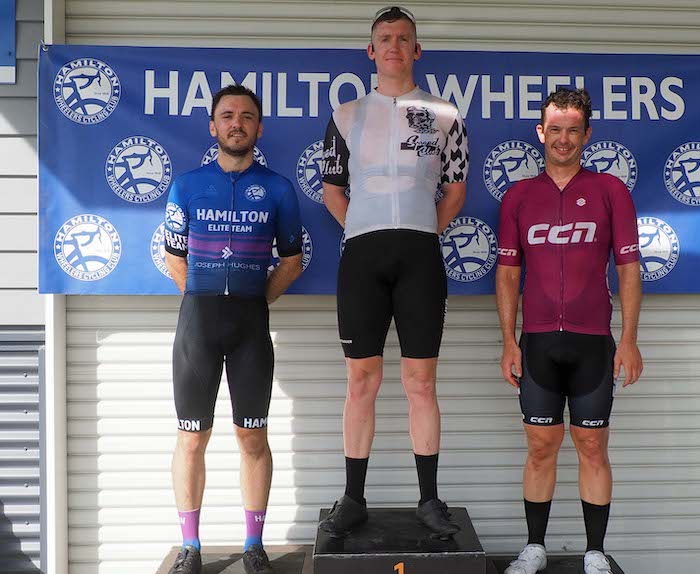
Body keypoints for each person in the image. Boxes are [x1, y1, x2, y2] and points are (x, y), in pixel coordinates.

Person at [318, 5, 469, 539]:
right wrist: (366, 229)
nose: (394, 47)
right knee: (361, 379)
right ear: (371, 50)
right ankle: (353, 498)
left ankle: (428, 499)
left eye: (404, 39)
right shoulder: (345, 115)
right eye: (385, 38)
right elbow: (331, 189)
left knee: (420, 381)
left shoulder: (445, 113)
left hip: (420, 255)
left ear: (416, 50)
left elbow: (455, 190)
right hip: (362, 256)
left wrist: (420, 231)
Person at [495, 88, 643, 574]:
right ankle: (534, 547)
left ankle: (595, 552)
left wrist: (629, 340)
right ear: (541, 133)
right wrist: (508, 341)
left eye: (573, 130)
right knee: (540, 447)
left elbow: (628, 270)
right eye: (555, 129)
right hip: (538, 341)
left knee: (593, 446)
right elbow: (508, 274)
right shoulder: (519, 196)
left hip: (592, 343)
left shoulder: (610, 191)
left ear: (587, 134)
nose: (563, 139)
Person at [162, 84, 304, 574]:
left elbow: (292, 261)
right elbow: (174, 257)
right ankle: (190, 547)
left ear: (259, 128)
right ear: (213, 126)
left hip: (250, 327)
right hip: (197, 327)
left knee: (252, 438)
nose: (236, 123)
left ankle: (254, 545)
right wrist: (204, 297)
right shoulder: (186, 186)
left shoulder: (279, 189)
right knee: (191, 440)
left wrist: (253, 300)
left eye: (246, 116)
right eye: (227, 115)